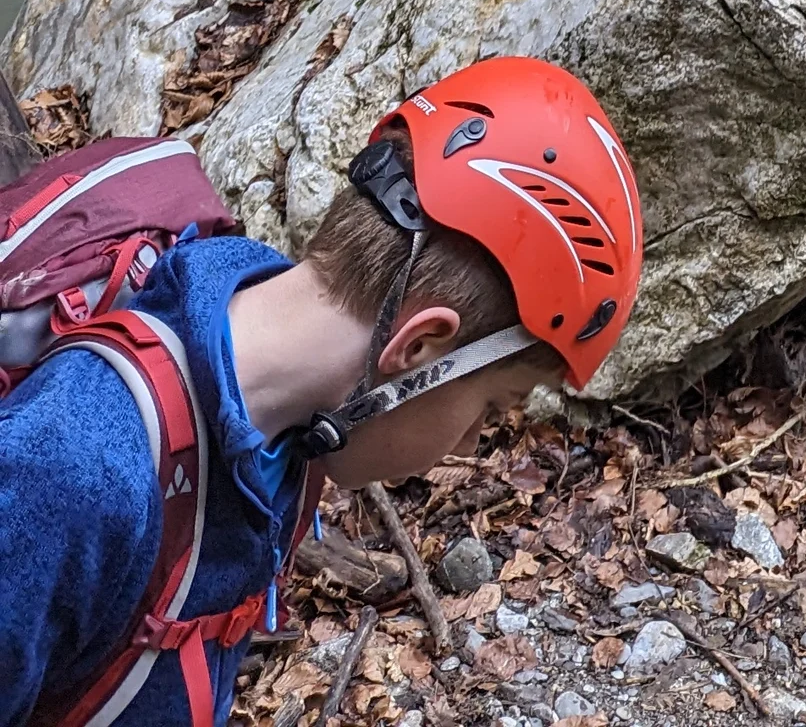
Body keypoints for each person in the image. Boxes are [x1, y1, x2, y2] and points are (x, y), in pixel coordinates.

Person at [0, 56, 643, 724]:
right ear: (418, 349)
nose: (475, 443)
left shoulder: (280, 430)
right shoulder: (70, 471)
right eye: (492, 406)